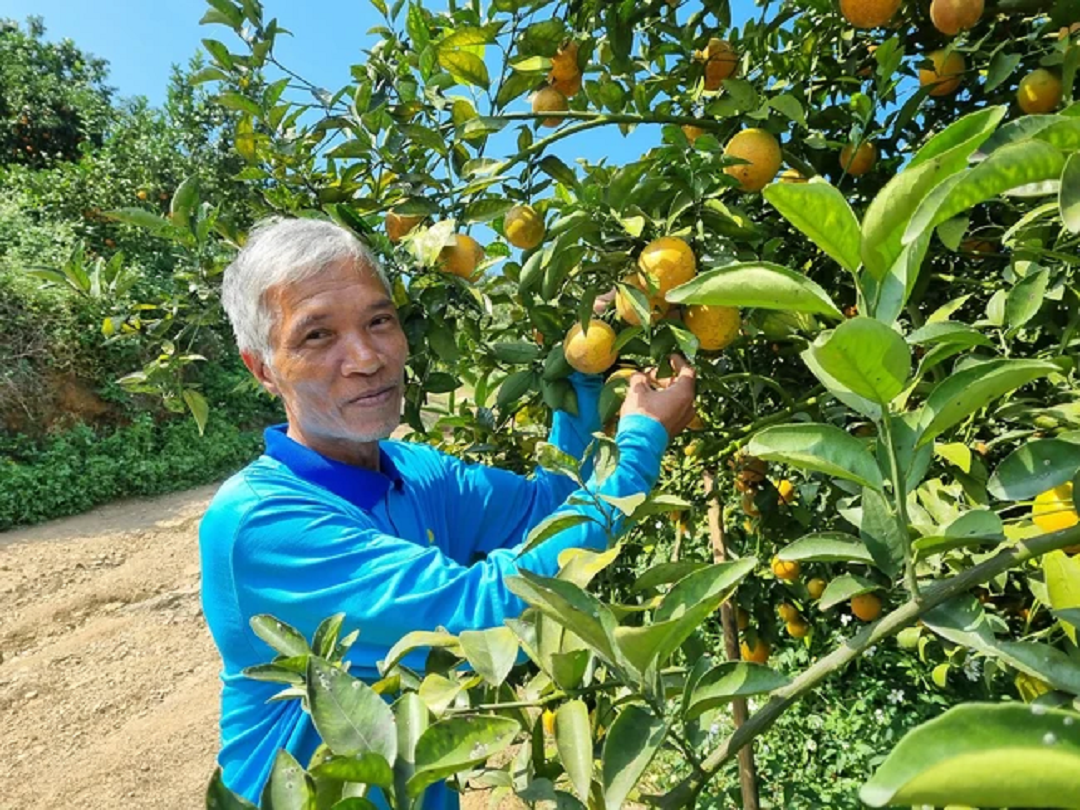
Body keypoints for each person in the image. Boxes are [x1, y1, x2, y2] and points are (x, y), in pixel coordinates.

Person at [198, 217, 697, 807]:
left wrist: (585, 377)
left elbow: (547, 506)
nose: (366, 357)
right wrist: (638, 450)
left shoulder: (414, 472)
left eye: (378, 321)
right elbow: (480, 611)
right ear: (262, 367)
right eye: (317, 336)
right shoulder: (260, 523)